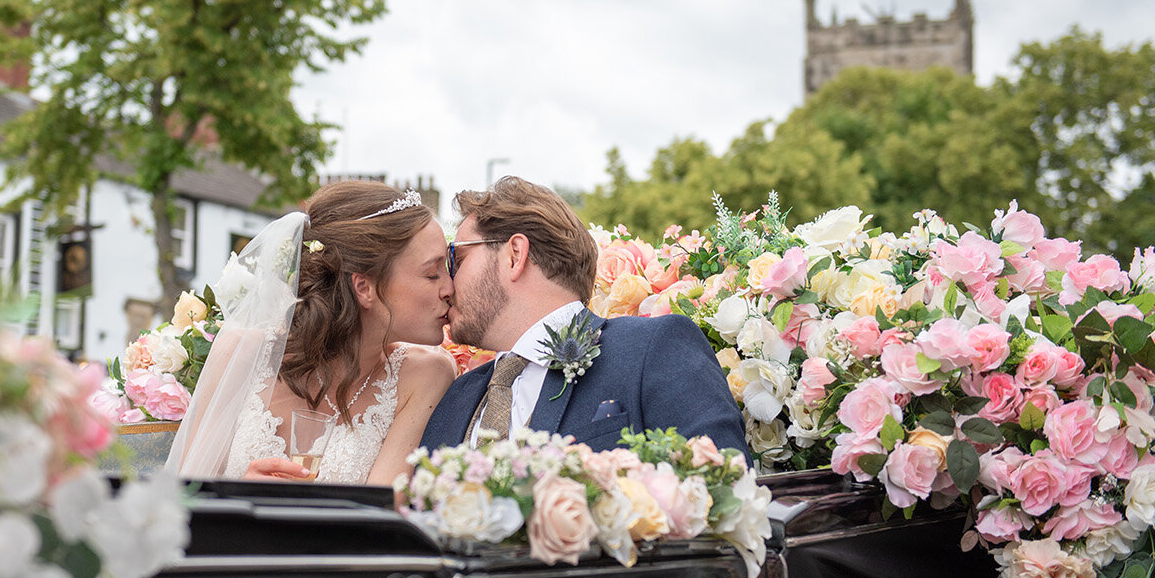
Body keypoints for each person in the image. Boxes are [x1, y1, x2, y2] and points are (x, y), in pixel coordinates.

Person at [421, 176, 747, 455]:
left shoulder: (653, 351)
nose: (447, 285)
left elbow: (724, 493)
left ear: (514, 255)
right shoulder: (452, 400)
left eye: (456, 258)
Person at [167, 181, 457, 485]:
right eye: (432, 273)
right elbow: (185, 503)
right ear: (364, 288)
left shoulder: (426, 376)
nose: (450, 288)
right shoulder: (241, 354)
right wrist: (240, 493)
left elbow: (383, 511)